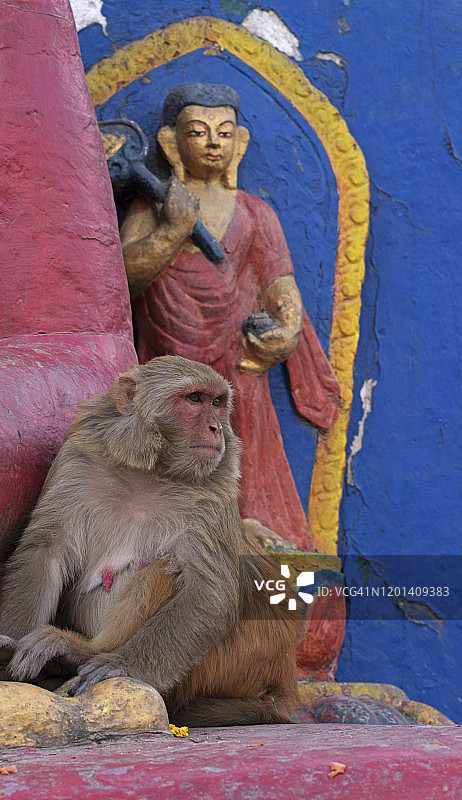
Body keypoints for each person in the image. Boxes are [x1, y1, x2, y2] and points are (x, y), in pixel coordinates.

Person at [120, 83, 339, 550]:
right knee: (172, 461)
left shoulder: (255, 214)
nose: (213, 142)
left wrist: (286, 328)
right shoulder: (155, 207)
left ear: (239, 142)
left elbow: (280, 285)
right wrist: (173, 229)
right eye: (197, 132)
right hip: (167, 363)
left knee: (243, 462)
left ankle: (248, 538)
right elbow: (123, 276)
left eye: (223, 132)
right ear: (170, 143)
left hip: (236, 370)